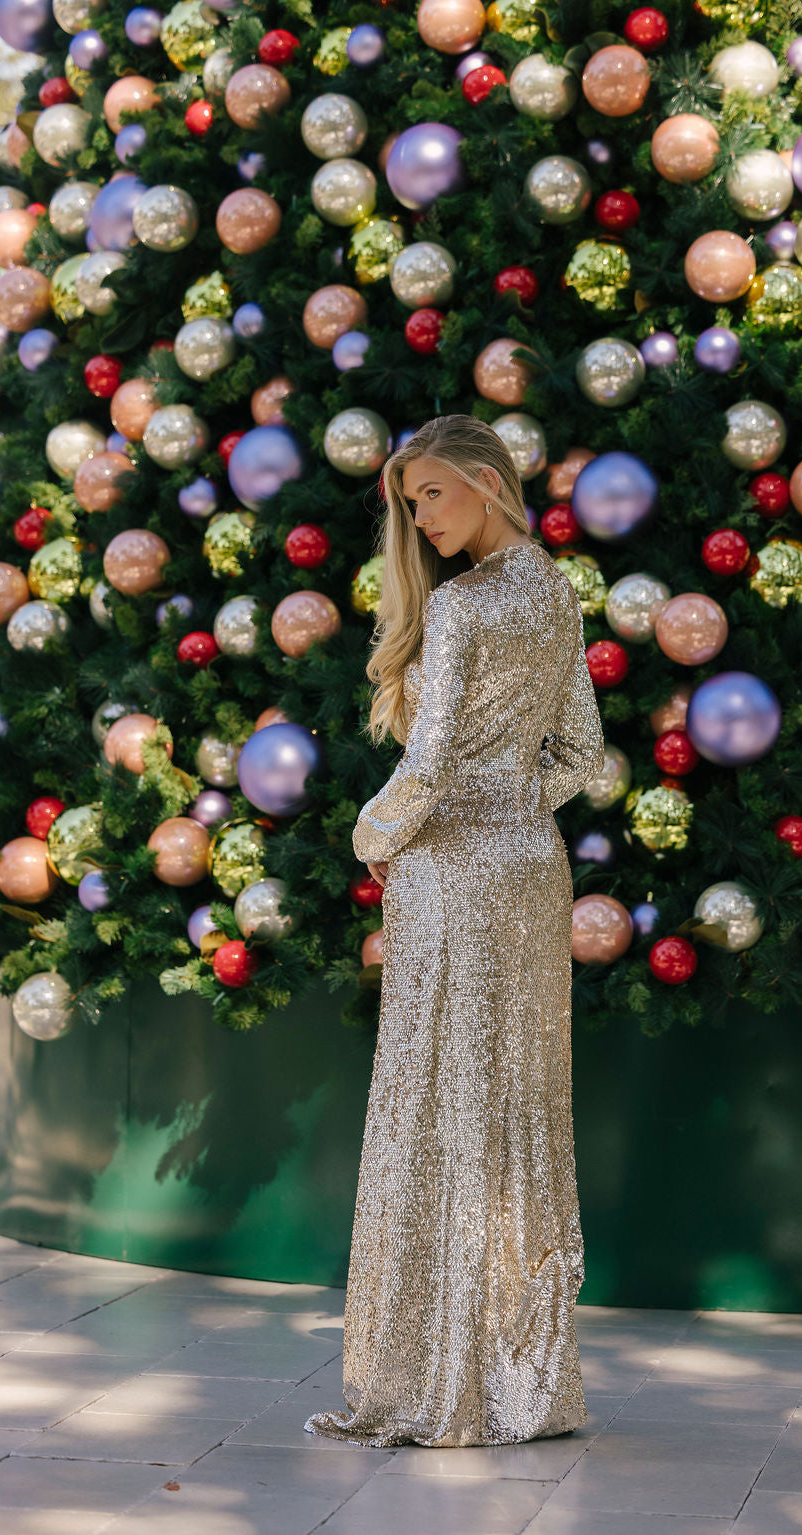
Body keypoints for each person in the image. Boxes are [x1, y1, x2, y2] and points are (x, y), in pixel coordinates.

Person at [304, 414, 605, 1448]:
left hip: (450, 870)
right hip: (530, 866)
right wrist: (515, 805)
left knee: (439, 1101)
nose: (416, 515)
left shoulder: (471, 605)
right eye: (408, 499)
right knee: (516, 1102)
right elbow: (583, 751)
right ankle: (523, 1385)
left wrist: (371, 830)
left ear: (485, 481)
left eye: (430, 492)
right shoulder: (558, 591)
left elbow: (425, 764)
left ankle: (440, 1382)